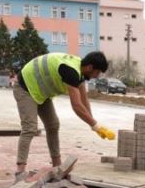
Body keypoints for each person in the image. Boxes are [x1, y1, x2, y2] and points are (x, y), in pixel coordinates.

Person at [13, 51, 115, 180]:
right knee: (30, 128)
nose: (97, 76)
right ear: (90, 67)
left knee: (53, 125)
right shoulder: (70, 71)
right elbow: (77, 106)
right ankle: (20, 172)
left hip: (40, 92)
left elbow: (84, 100)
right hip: (25, 87)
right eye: (98, 72)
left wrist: (95, 124)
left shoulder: (80, 70)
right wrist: (95, 126)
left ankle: (57, 167)